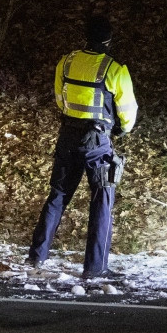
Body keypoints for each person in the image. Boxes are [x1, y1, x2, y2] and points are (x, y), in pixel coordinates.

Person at [27, 16, 138, 278]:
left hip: (67, 136)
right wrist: (120, 129)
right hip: (97, 143)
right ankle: (95, 268)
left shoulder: (66, 62)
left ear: (85, 37)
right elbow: (128, 112)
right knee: (101, 201)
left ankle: (37, 256)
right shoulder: (114, 69)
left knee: (58, 195)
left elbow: (59, 97)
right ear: (109, 40)